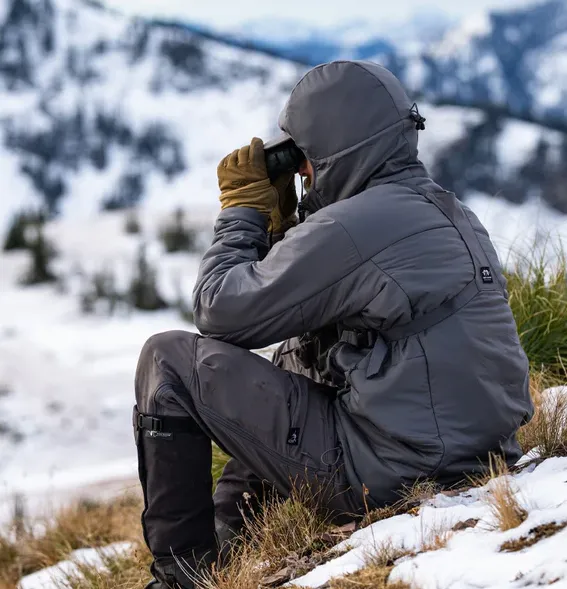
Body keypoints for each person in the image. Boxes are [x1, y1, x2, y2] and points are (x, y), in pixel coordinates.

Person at [133, 60, 533, 588]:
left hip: (392, 474)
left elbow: (220, 312)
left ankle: (179, 577)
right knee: (295, 359)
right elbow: (313, 313)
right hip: (476, 456)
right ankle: (227, 549)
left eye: (303, 154)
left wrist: (242, 215)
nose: (300, 171)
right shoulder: (444, 209)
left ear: (336, 149)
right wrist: (285, 235)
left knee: (168, 362)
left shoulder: (354, 225)